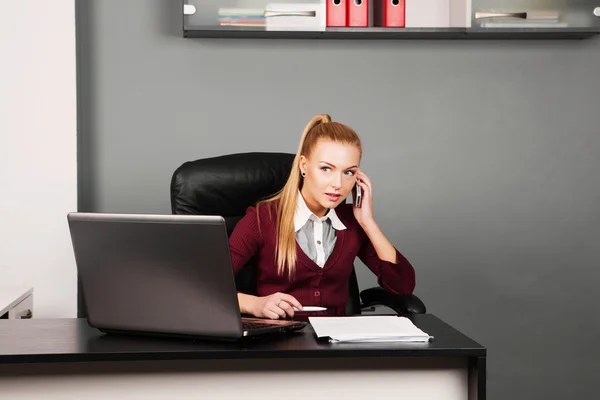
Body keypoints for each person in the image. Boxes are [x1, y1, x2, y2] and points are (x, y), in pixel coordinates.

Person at [229, 114, 415, 319]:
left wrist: (367, 222)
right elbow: (205, 289)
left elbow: (402, 286)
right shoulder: (262, 220)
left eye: (348, 173)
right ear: (303, 165)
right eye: (326, 169)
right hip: (277, 340)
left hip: (336, 343)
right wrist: (255, 304)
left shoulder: (352, 223)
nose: (338, 183)